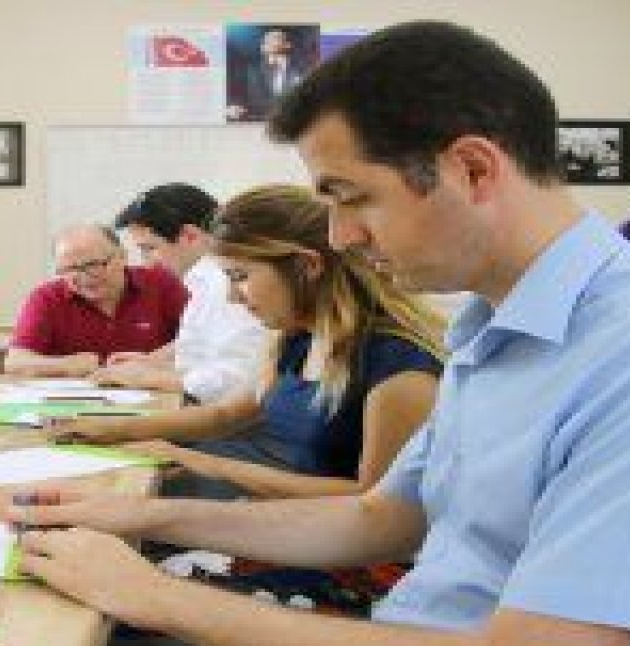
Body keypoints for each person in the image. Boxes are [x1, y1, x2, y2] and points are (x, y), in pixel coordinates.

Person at [6, 20, 630, 646]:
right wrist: (143, 517)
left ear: (472, 170)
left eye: (351, 199)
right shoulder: (495, 331)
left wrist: (153, 594)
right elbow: (381, 517)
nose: (340, 237)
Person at [51, 184, 443, 500]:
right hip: (274, 510)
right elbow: (228, 415)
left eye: (240, 277)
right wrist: (109, 430)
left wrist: (202, 463)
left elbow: (371, 502)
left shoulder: (397, 366)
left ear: (308, 266)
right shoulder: (296, 339)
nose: (233, 299)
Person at [98, 183, 268, 404]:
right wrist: (153, 361)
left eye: (149, 248)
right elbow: (202, 345)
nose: (147, 264)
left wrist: (148, 378)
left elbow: (233, 381)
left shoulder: (224, 284)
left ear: (190, 236)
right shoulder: (205, 280)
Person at [3, 224, 187, 378]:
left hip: (155, 397)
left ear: (122, 256)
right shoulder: (46, 298)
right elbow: (15, 362)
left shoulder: (162, 284)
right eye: (70, 269)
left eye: (93, 265)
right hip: (74, 406)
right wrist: (66, 365)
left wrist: (149, 362)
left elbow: (202, 340)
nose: (84, 277)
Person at [227, 27, 309, 122]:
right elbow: (237, 96)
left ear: (287, 45)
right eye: (265, 40)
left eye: (274, 37)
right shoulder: (251, 71)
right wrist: (233, 106)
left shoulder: (303, 70)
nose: (267, 41)